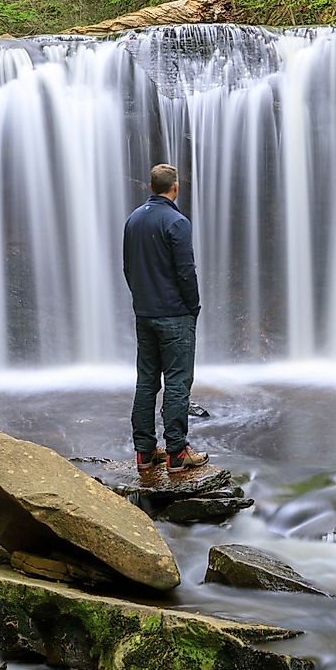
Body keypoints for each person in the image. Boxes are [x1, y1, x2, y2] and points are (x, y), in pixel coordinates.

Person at [123, 164, 209, 473]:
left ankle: (144, 453)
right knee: (177, 381)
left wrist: (141, 300)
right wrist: (193, 306)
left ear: (150, 186)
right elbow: (186, 271)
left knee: (146, 381)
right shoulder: (176, 221)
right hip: (174, 314)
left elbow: (128, 267)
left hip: (144, 314)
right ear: (175, 187)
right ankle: (176, 453)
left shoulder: (133, 220)